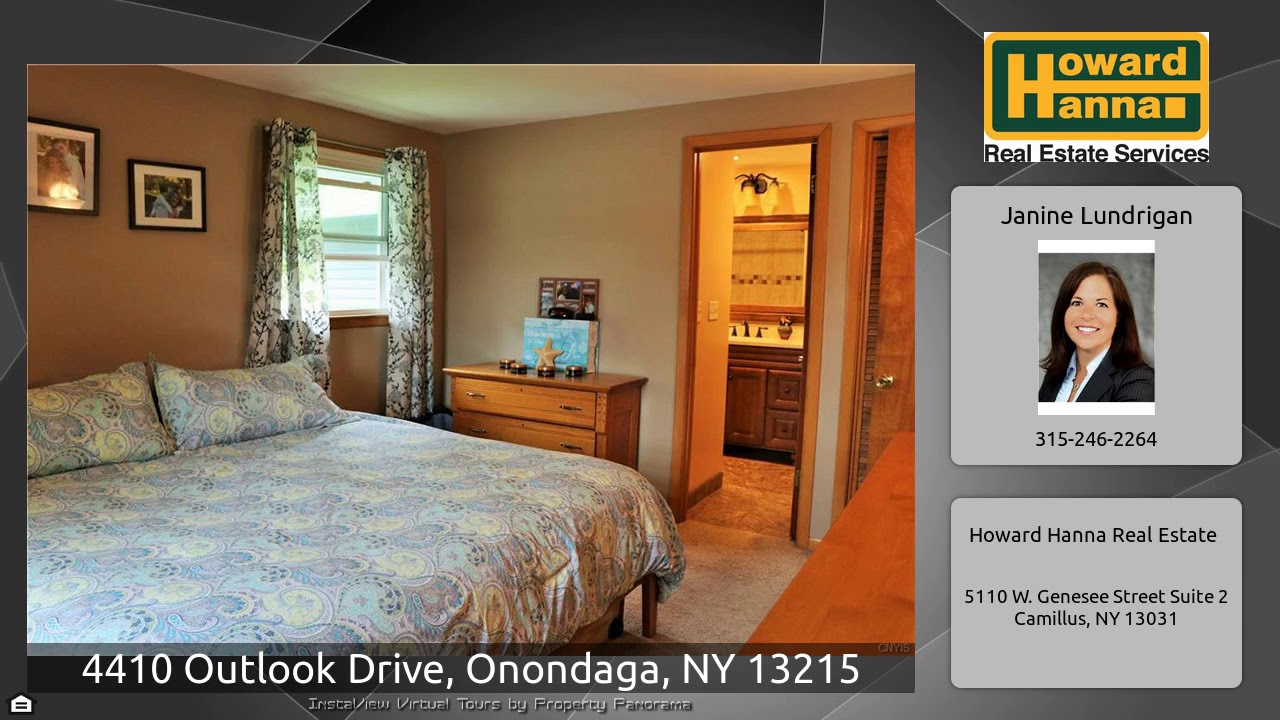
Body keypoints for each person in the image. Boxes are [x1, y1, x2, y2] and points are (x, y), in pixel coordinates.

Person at [1038, 261, 1154, 402]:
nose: (1087, 315)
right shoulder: (1054, 376)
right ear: (1063, 312)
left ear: (1118, 317)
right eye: (1077, 303)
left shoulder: (1138, 380)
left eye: (1101, 304)